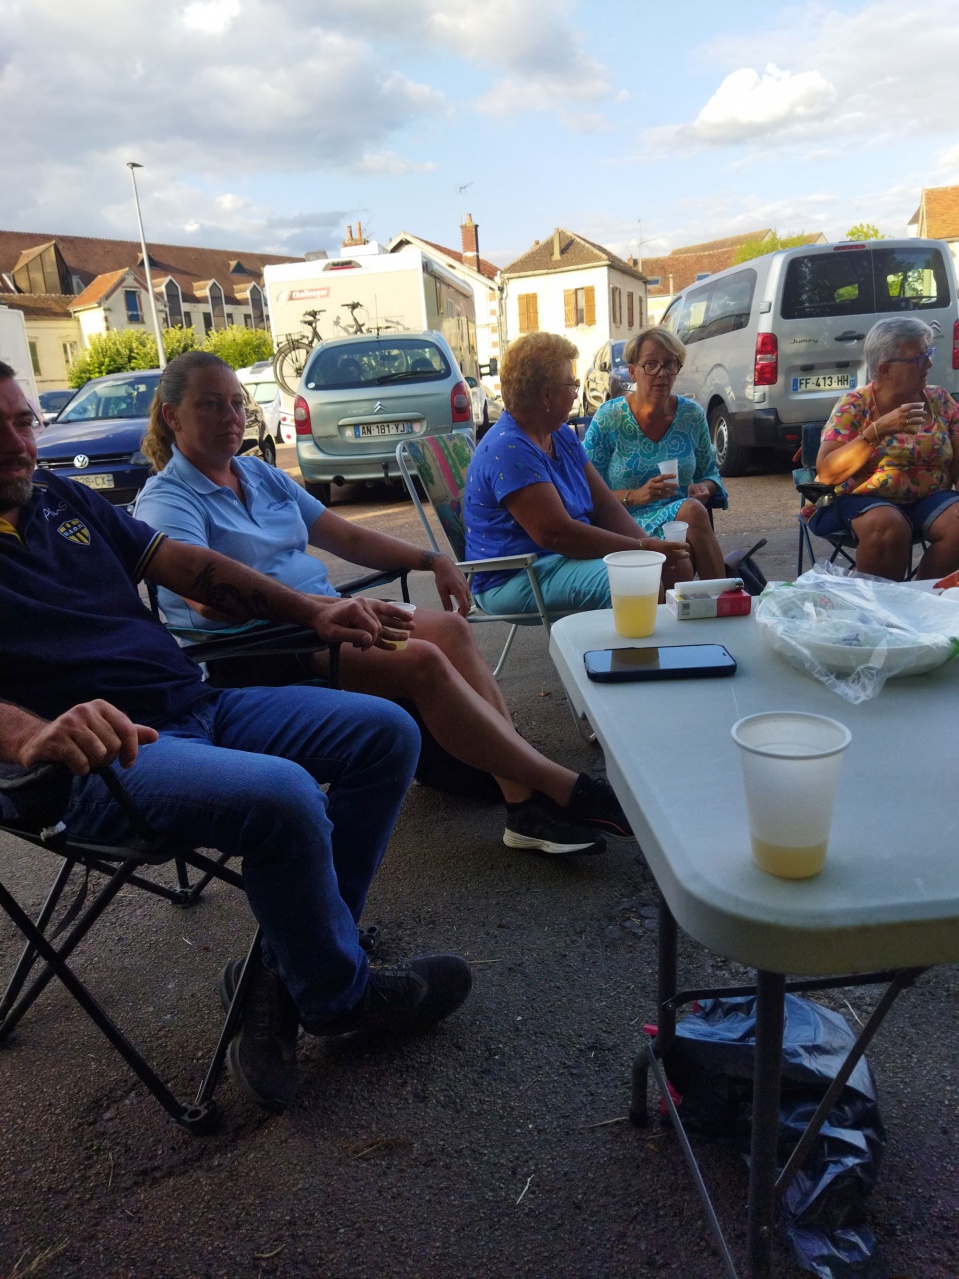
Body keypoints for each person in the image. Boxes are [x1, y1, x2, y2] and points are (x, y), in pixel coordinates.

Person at [0, 358, 471, 1115]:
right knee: (283, 794)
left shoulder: (56, 494)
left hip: (193, 700)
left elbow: (186, 564)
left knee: (385, 734)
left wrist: (310, 612)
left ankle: (282, 974)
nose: (17, 443)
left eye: (22, 421)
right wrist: (31, 736)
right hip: (96, 760)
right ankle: (339, 997)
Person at [134, 352, 632, 859]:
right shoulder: (168, 499)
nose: (231, 417)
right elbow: (207, 598)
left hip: (324, 619)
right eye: (211, 405)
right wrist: (311, 610)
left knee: (452, 631)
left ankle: (520, 794)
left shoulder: (261, 476)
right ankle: (556, 789)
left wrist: (429, 556)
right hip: (257, 647)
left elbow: (345, 537)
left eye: (237, 403)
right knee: (422, 661)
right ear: (172, 415)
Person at [464, 332, 692, 615]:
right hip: (515, 574)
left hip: (557, 561)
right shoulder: (510, 448)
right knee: (636, 580)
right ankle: (636, 658)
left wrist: (648, 549)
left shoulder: (558, 434)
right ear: (547, 394)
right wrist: (641, 547)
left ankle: (668, 653)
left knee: (670, 567)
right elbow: (558, 535)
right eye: (572, 384)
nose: (576, 392)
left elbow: (604, 504)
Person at [805, 317, 959, 580]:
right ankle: (879, 611)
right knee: (888, 525)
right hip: (859, 498)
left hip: (928, 499)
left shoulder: (939, 400)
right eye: (919, 358)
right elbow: (828, 473)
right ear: (885, 369)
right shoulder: (855, 405)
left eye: (928, 354)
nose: (929, 364)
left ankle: (919, 604)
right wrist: (876, 431)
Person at [583, 327, 727, 581]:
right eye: (651, 364)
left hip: (680, 524)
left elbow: (710, 474)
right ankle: (725, 599)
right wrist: (635, 496)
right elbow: (583, 490)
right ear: (632, 371)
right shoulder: (610, 417)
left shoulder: (690, 415)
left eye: (670, 364)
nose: (661, 373)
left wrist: (704, 488)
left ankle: (719, 603)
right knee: (681, 552)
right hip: (624, 522)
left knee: (691, 514)